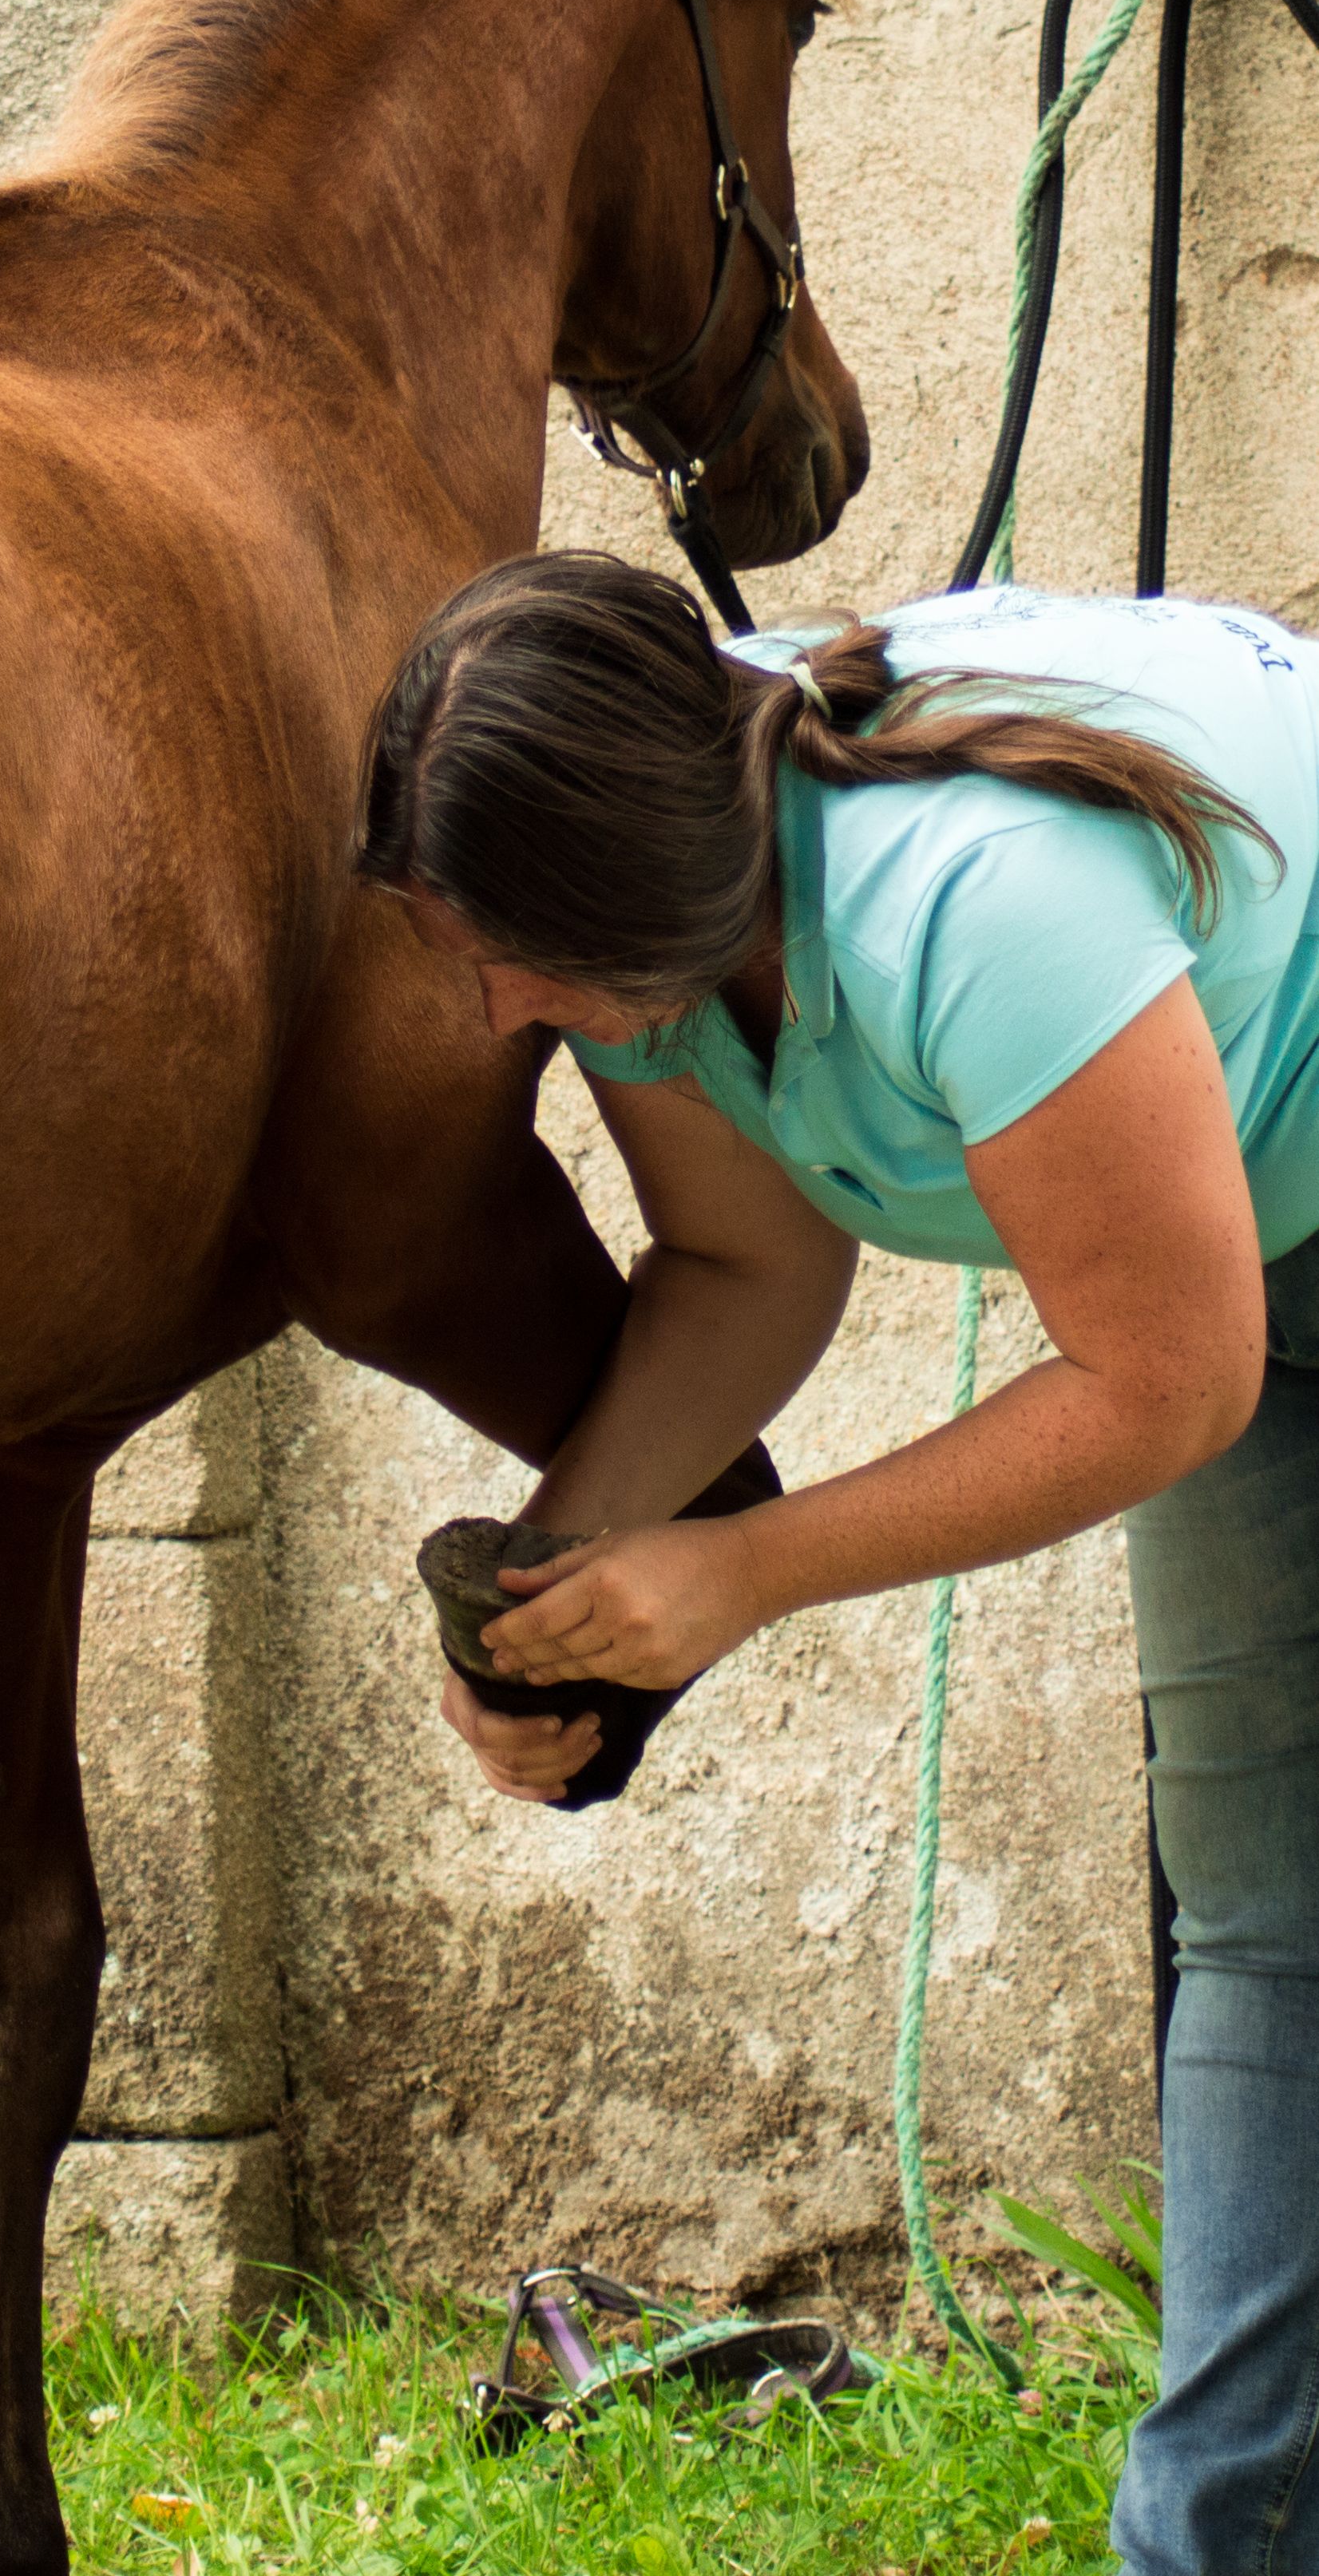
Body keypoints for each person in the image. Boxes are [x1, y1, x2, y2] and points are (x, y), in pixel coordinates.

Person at [359, 552, 1319, 2576]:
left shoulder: (982, 903)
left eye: (506, 958)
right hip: (1251, 1229)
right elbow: (743, 1264)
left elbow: (1166, 1377)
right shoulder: (662, 931)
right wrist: (569, 1573)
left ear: (633, 898)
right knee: (1273, 1922)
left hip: (1228, 1271)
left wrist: (757, 1567)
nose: (488, 1012)